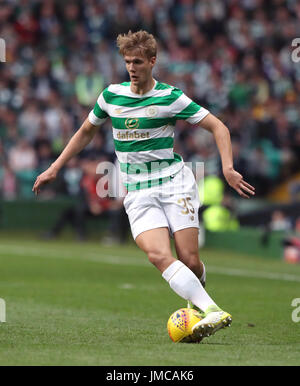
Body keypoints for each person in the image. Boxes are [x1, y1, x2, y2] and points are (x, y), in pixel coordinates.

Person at [32, 30, 255, 343]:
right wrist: (55, 167)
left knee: (190, 261)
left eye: (138, 61)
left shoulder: (170, 97)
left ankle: (198, 310)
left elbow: (218, 126)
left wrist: (228, 168)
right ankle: (212, 310)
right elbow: (85, 131)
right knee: (157, 255)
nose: (132, 67)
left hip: (175, 184)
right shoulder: (111, 96)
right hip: (138, 191)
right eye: (127, 62)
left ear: (153, 61)